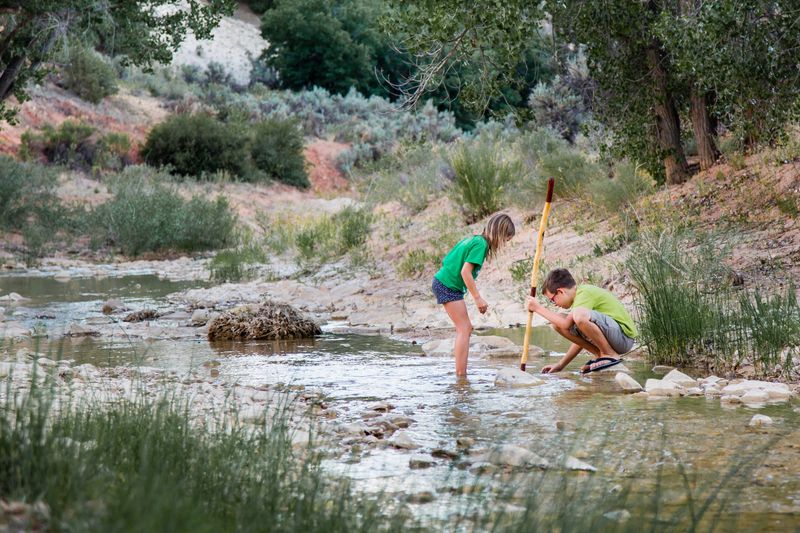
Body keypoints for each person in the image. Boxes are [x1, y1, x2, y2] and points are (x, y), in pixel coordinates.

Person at [432, 213, 516, 376]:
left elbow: (450, 260)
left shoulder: (474, 239)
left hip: (444, 282)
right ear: (499, 233)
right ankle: (461, 375)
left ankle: (461, 373)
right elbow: (465, 272)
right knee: (464, 328)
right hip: (447, 285)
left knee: (465, 328)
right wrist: (478, 298)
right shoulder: (481, 245)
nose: (504, 244)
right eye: (505, 240)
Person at [526, 268, 637, 374]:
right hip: (614, 337)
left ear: (560, 292)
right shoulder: (578, 303)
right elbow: (579, 340)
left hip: (624, 338)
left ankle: (609, 354)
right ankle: (600, 355)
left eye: (552, 300)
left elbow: (566, 324)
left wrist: (538, 308)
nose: (554, 303)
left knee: (576, 316)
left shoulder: (584, 293)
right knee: (557, 322)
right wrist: (560, 365)